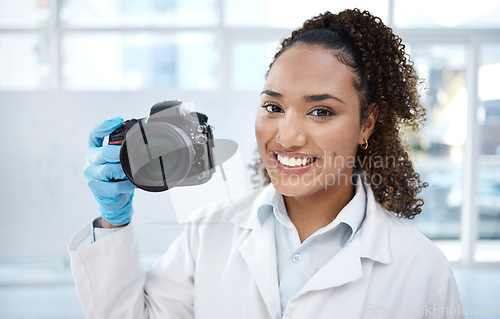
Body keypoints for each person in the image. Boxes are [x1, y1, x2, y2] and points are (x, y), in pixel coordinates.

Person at [69, 8, 463, 319]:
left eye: (321, 111)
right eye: (273, 106)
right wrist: (113, 221)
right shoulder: (210, 233)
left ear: (367, 123)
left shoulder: (421, 270)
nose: (287, 136)